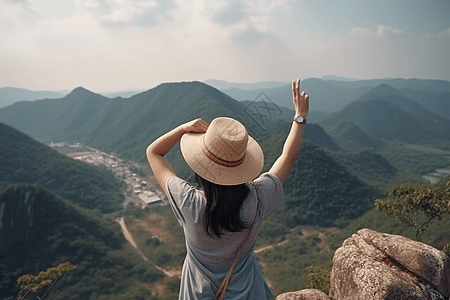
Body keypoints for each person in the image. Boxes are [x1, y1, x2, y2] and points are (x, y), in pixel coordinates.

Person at [146, 78, 309, 299]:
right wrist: (299, 117)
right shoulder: (258, 199)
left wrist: (183, 128)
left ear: (201, 168)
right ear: (242, 166)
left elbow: (154, 152)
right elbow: (288, 157)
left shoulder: (188, 201)